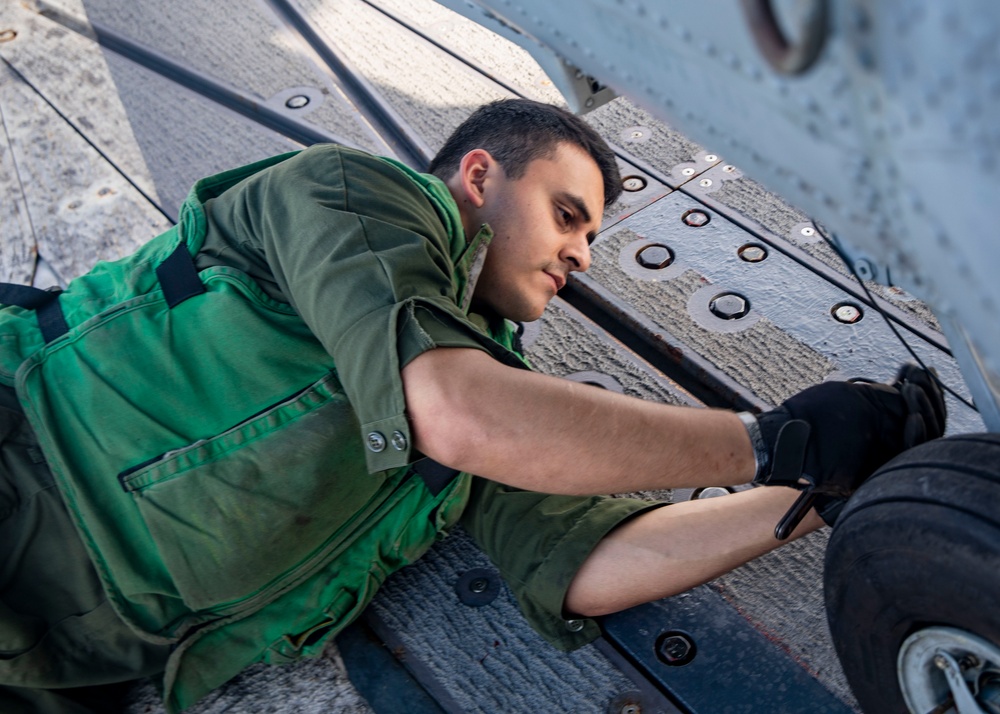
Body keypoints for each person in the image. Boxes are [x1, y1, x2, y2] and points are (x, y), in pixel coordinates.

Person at [0, 99, 945, 714]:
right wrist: (771, 439)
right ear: (482, 176)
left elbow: (589, 562)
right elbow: (458, 411)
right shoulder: (351, 195)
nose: (580, 257)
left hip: (71, 667)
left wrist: (828, 487)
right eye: (568, 215)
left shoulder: (506, 403)